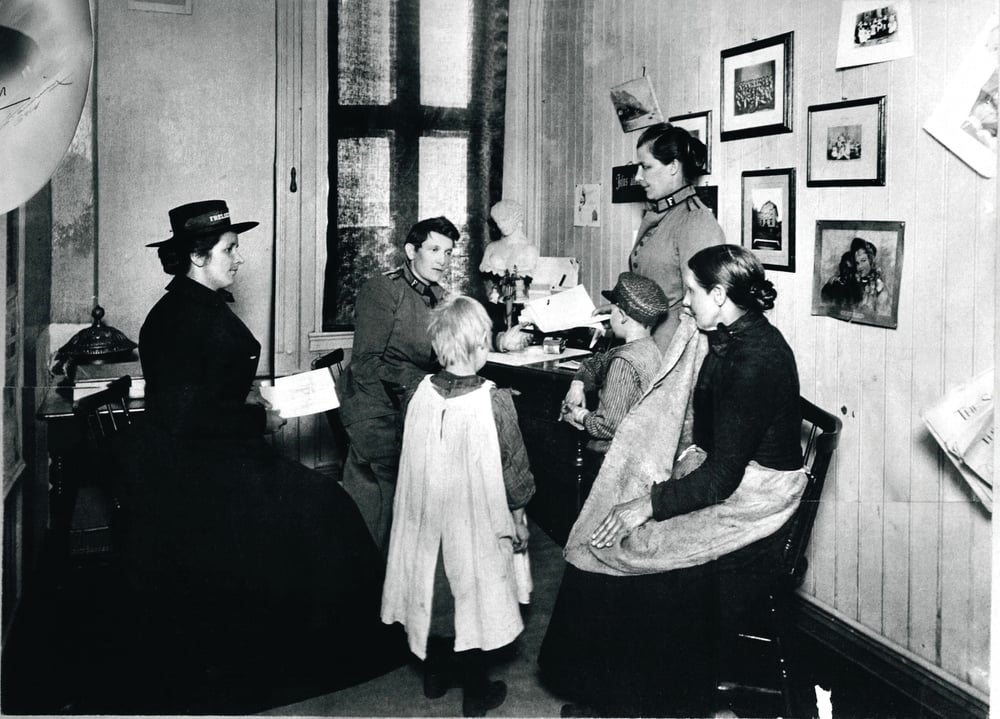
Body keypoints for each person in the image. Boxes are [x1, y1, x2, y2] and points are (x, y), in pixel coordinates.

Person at [130, 200, 405, 706]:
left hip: (226, 456)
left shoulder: (199, 305)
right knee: (324, 507)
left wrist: (251, 397)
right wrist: (259, 418)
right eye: (229, 249)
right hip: (201, 473)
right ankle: (325, 653)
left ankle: (338, 643)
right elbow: (183, 418)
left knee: (327, 504)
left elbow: (207, 390)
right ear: (197, 256)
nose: (238, 258)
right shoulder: (176, 319)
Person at [539, 245, 807, 718]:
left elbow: (720, 481)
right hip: (733, 478)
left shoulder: (756, 361)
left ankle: (638, 704)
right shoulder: (729, 335)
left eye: (691, 292)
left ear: (720, 296)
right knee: (609, 529)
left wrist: (647, 504)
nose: (684, 302)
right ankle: (611, 693)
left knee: (635, 550)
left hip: (759, 500)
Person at [381, 295, 534, 718]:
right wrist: (519, 517)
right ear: (481, 343)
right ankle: (476, 692)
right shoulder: (494, 400)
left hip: (426, 520)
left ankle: (435, 676)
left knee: (434, 597)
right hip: (473, 525)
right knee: (472, 601)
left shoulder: (417, 394)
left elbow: (406, 450)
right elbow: (514, 468)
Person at [338, 216, 459, 551]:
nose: (443, 260)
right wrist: (425, 383)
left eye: (448, 252)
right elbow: (366, 363)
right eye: (434, 249)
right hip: (374, 408)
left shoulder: (440, 296)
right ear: (410, 250)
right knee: (385, 507)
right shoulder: (383, 289)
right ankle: (371, 571)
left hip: (409, 404)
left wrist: (498, 341)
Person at [627, 123, 726, 351]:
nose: (638, 177)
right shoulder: (661, 214)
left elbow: (704, 309)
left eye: (646, 167)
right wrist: (623, 309)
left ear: (673, 166)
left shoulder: (695, 221)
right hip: (645, 345)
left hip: (671, 351)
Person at [560, 272, 668, 480]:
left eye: (613, 311)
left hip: (614, 463)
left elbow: (606, 426)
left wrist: (579, 414)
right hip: (642, 454)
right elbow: (596, 362)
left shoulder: (623, 362)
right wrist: (578, 383)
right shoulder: (650, 348)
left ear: (623, 315)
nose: (610, 317)